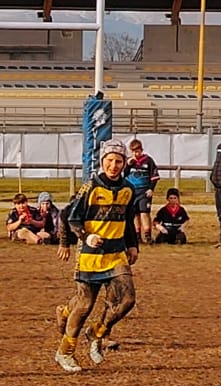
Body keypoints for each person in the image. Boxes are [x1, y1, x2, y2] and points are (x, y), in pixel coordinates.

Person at [54, 140, 139, 372]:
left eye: (118, 161)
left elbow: (128, 220)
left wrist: (133, 246)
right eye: (109, 160)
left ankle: (96, 332)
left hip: (116, 254)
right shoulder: (90, 187)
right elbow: (71, 217)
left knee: (127, 300)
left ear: (124, 163)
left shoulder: (128, 189)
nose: (113, 165)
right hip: (90, 255)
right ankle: (65, 352)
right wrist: (86, 236)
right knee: (84, 305)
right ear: (102, 162)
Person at [125, 138, 159, 242]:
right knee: (135, 213)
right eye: (133, 152)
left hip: (144, 191)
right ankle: (137, 235)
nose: (136, 154)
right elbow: (123, 175)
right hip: (132, 191)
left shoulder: (148, 160)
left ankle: (147, 235)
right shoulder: (129, 162)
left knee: (144, 212)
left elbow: (154, 176)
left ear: (141, 150)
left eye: (137, 151)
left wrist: (151, 189)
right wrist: (128, 165)